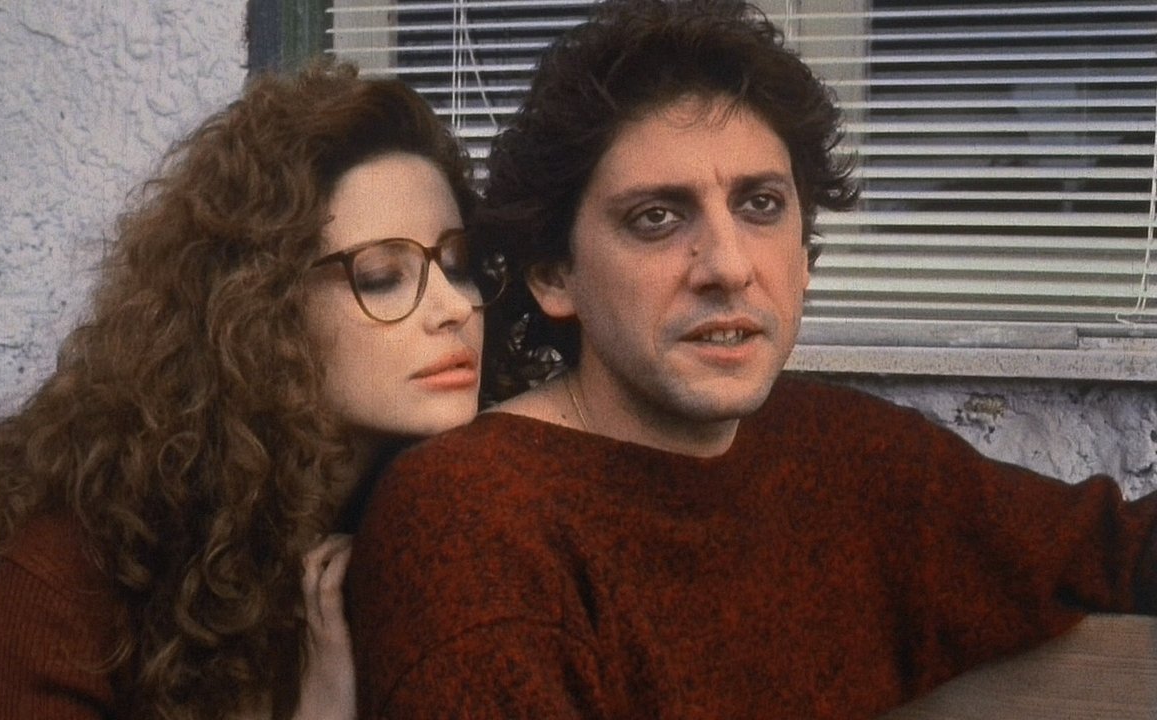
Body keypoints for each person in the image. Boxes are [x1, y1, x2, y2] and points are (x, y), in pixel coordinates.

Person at [344, 1, 1157, 718]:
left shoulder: (840, 455)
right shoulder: (472, 520)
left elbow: (1110, 552)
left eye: (760, 205)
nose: (728, 266)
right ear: (555, 274)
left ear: (804, 256)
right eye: (658, 217)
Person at [0, 60, 500, 720]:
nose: (454, 307)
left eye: (458, 265)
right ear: (263, 309)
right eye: (381, 276)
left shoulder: (439, 521)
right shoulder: (70, 571)